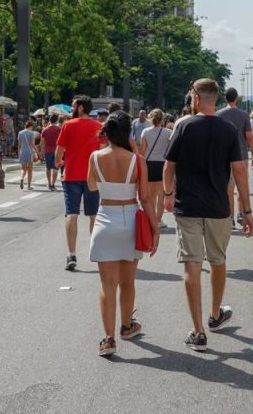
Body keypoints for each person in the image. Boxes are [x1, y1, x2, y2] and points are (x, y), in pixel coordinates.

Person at [162, 78, 253, 352]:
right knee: (218, 260)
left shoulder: (183, 126)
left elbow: (169, 166)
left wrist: (167, 195)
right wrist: (246, 211)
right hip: (218, 207)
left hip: (187, 206)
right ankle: (215, 314)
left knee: (191, 264)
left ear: (197, 99)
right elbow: (239, 172)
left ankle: (198, 332)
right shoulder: (228, 129)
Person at [87, 112, 159, 357]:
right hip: (129, 219)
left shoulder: (95, 157)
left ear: (106, 133)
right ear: (129, 133)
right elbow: (146, 197)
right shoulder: (136, 160)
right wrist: (155, 227)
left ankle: (108, 340)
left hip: (105, 218)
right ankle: (127, 326)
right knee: (128, 281)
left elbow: (91, 186)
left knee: (107, 284)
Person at [55, 95, 103, 271]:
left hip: (72, 175)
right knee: (93, 215)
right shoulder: (98, 126)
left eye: (73, 105)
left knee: (71, 214)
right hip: (92, 176)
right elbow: (103, 149)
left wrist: (59, 161)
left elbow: (59, 151)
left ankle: (71, 254)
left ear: (81, 107)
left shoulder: (68, 125)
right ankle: (96, 251)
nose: (71, 108)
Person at [216, 88, 253, 228]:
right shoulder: (244, 115)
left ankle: (230, 218)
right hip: (241, 155)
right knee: (242, 186)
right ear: (236, 99)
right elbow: (249, 137)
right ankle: (241, 213)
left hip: (223, 156)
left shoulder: (218, 114)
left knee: (229, 188)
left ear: (225, 99)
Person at [139, 109, 171, 229]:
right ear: (162, 119)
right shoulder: (168, 132)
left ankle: (150, 219)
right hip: (162, 164)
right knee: (161, 195)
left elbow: (142, 151)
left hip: (149, 164)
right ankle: (158, 220)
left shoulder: (145, 131)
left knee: (151, 195)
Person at [40, 114, 62, 191]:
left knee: (48, 168)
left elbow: (42, 142)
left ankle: (49, 183)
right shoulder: (59, 129)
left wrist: (41, 151)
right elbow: (61, 142)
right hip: (57, 150)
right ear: (56, 120)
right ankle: (53, 184)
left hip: (47, 151)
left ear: (49, 120)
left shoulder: (45, 130)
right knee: (55, 168)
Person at [17, 121, 39, 190]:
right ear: (31, 126)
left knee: (23, 169)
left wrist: (19, 153)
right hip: (30, 152)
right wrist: (37, 151)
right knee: (30, 170)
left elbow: (19, 145)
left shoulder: (20, 133)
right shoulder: (32, 133)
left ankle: (21, 178)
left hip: (22, 152)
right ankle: (29, 186)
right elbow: (32, 144)